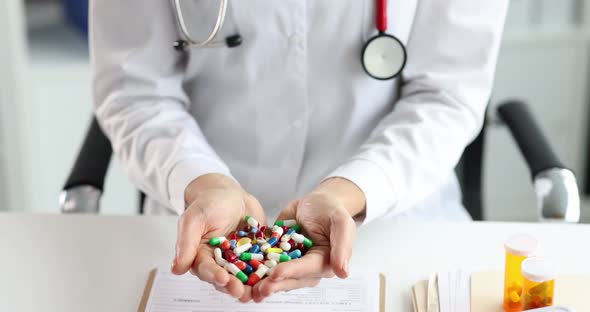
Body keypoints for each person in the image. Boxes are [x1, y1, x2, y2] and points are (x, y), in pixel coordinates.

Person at [90, 0, 508, 303]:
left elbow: (446, 96)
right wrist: (202, 182)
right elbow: (135, 91)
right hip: (199, 235)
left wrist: (348, 192)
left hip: (393, 222)